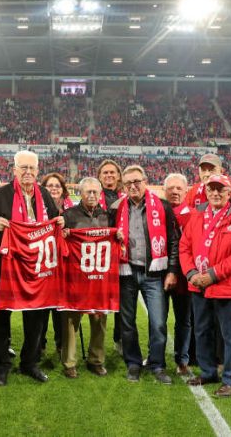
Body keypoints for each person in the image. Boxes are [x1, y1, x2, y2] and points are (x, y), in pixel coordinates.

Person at [0, 150, 63, 386]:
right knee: (1, 317)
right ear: (14, 170)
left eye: (32, 168)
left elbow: (55, 220)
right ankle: (2, 365)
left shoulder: (44, 195)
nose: (28, 173)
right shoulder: (3, 195)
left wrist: (61, 221)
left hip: (37, 270)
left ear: (38, 171)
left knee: (36, 318)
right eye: (23, 168)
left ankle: (30, 363)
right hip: (6, 268)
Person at [179, 174, 231, 398]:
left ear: (229, 193)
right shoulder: (197, 217)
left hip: (227, 287)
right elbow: (184, 247)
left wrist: (212, 274)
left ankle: (230, 379)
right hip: (198, 286)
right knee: (202, 332)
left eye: (220, 189)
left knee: (230, 335)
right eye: (211, 189)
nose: (216, 193)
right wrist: (191, 274)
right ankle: (209, 371)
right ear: (206, 192)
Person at [111, 165, 179, 385]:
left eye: (137, 181)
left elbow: (173, 241)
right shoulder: (116, 208)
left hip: (154, 274)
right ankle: (133, 363)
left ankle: (157, 364)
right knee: (127, 322)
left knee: (158, 322)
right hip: (126, 272)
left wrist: (171, 271)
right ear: (124, 185)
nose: (133, 186)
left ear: (145, 181)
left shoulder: (163, 206)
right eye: (128, 183)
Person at [60, 177, 111, 378]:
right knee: (71, 319)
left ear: (100, 194)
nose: (91, 195)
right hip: (75, 276)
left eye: (95, 192)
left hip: (99, 277)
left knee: (99, 318)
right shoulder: (69, 215)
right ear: (79, 193)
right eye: (87, 192)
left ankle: (96, 360)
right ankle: (69, 362)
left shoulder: (107, 216)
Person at [39, 172, 73, 355]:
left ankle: (61, 345)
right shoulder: (35, 209)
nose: (53, 189)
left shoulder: (70, 212)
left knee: (61, 310)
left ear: (63, 190)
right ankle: (40, 344)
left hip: (63, 267)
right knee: (42, 309)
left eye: (57, 186)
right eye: (49, 185)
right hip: (42, 266)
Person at [163, 173, 193, 376]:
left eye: (179, 188)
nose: (174, 191)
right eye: (171, 188)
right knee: (158, 319)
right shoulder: (158, 212)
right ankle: (156, 356)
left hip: (184, 278)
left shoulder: (193, 215)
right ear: (164, 191)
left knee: (184, 319)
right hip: (159, 276)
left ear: (186, 191)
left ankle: (182, 359)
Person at [96, 159, 124, 353]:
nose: (109, 176)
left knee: (123, 304)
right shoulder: (93, 197)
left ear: (118, 176)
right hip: (100, 258)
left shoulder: (125, 197)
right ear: (99, 177)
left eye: (112, 172)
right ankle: (96, 346)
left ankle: (120, 340)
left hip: (122, 258)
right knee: (98, 303)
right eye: (105, 173)